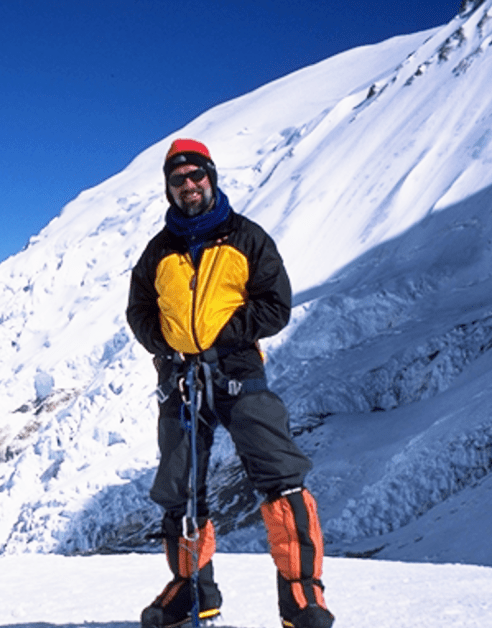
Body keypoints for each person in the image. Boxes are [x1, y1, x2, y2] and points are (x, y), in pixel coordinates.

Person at [126, 139, 335, 628]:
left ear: (211, 177)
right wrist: (168, 343)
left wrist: (223, 340)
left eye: (196, 175)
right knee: (179, 489)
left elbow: (275, 304)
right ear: (169, 187)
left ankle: (303, 597)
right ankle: (190, 591)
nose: (189, 186)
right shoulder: (158, 251)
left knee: (281, 478)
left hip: (238, 373)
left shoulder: (247, 238)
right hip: (180, 380)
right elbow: (139, 310)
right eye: (178, 179)